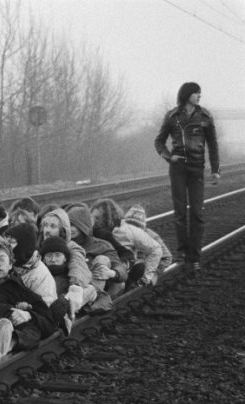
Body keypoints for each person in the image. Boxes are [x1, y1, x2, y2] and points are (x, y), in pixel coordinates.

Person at [154, 82, 220, 273]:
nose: (199, 96)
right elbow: (159, 141)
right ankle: (183, 252)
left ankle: (195, 256)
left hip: (197, 168)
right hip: (178, 169)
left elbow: (213, 145)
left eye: (200, 93)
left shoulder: (205, 117)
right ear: (187, 95)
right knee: (180, 212)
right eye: (196, 93)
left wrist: (215, 170)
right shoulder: (172, 116)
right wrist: (169, 156)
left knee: (197, 213)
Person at [0, 240, 54, 365]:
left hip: (11, 339)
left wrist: (29, 315)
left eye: (2, 259)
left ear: (10, 265)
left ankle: (4, 348)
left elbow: (48, 324)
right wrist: (9, 311)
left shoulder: (19, 289)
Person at [91, 198, 162, 288]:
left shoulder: (129, 231)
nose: (94, 221)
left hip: (121, 272)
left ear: (108, 217)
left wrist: (147, 277)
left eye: (97, 218)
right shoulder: (94, 231)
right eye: (92, 217)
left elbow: (156, 249)